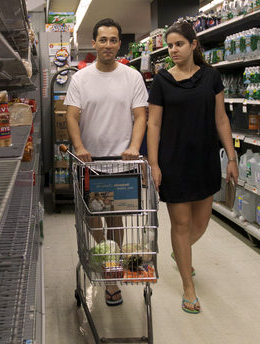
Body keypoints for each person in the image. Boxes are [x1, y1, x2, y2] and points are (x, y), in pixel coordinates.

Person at [147, 20, 239, 314]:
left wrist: (231, 156)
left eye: (179, 44)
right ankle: (189, 286)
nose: (173, 50)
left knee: (200, 223)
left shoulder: (211, 76)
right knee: (181, 224)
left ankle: (180, 252)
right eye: (170, 45)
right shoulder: (162, 81)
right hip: (173, 160)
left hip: (205, 159)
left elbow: (221, 118)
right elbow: (154, 123)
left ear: (193, 44)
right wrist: (154, 163)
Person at [65, 17, 148, 306]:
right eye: (103, 40)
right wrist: (80, 146)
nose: (108, 45)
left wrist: (134, 147)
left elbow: (140, 115)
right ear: (94, 43)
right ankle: (106, 252)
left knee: (115, 219)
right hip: (90, 164)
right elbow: (72, 116)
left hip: (122, 163)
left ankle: (112, 276)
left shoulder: (132, 77)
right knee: (91, 217)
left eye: (114, 40)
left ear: (119, 43)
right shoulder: (81, 79)